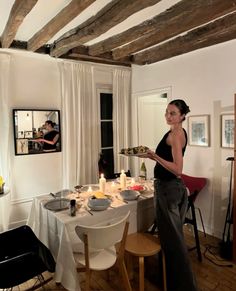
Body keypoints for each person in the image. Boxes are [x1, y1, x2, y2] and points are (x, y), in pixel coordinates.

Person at [143, 99, 197, 291]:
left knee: (174, 242)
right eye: (167, 112)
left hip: (168, 189)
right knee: (170, 239)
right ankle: (169, 280)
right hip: (170, 189)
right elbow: (168, 160)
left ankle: (186, 286)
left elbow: (177, 169)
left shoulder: (175, 134)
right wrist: (151, 155)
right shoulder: (177, 132)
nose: (168, 116)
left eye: (172, 113)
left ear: (182, 116)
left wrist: (155, 157)